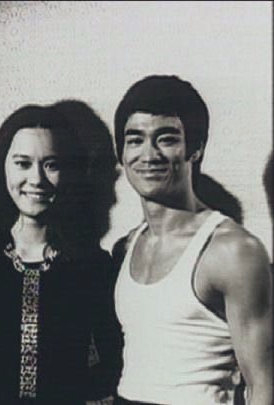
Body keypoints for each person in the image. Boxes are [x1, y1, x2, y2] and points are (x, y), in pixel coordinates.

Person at [112, 75, 273, 405]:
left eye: (166, 139)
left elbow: (263, 384)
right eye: (135, 140)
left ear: (195, 148)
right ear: (122, 152)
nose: (148, 154)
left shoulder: (234, 251)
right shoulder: (126, 246)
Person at [0, 104, 122, 404]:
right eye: (23, 163)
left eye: (51, 164)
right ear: (2, 168)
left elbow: (112, 366)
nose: (36, 179)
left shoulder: (94, 266)